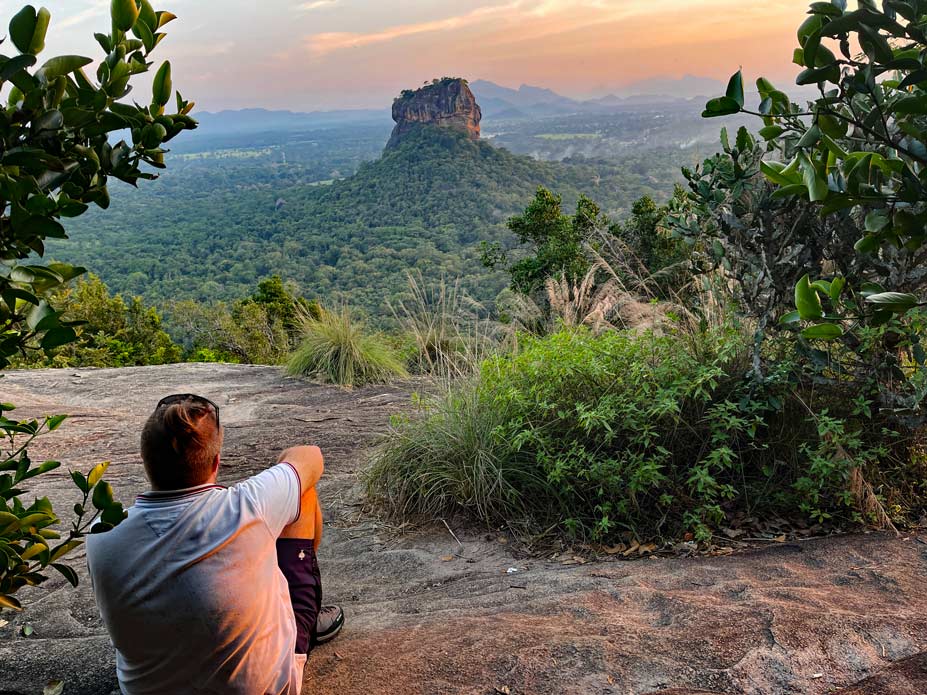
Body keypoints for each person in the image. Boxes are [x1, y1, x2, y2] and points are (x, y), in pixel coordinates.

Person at [86, 393, 344, 694]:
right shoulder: (246, 507)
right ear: (216, 462)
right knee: (301, 493)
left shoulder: (101, 531)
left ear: (146, 462)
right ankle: (303, 621)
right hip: (266, 687)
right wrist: (278, 475)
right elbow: (310, 456)